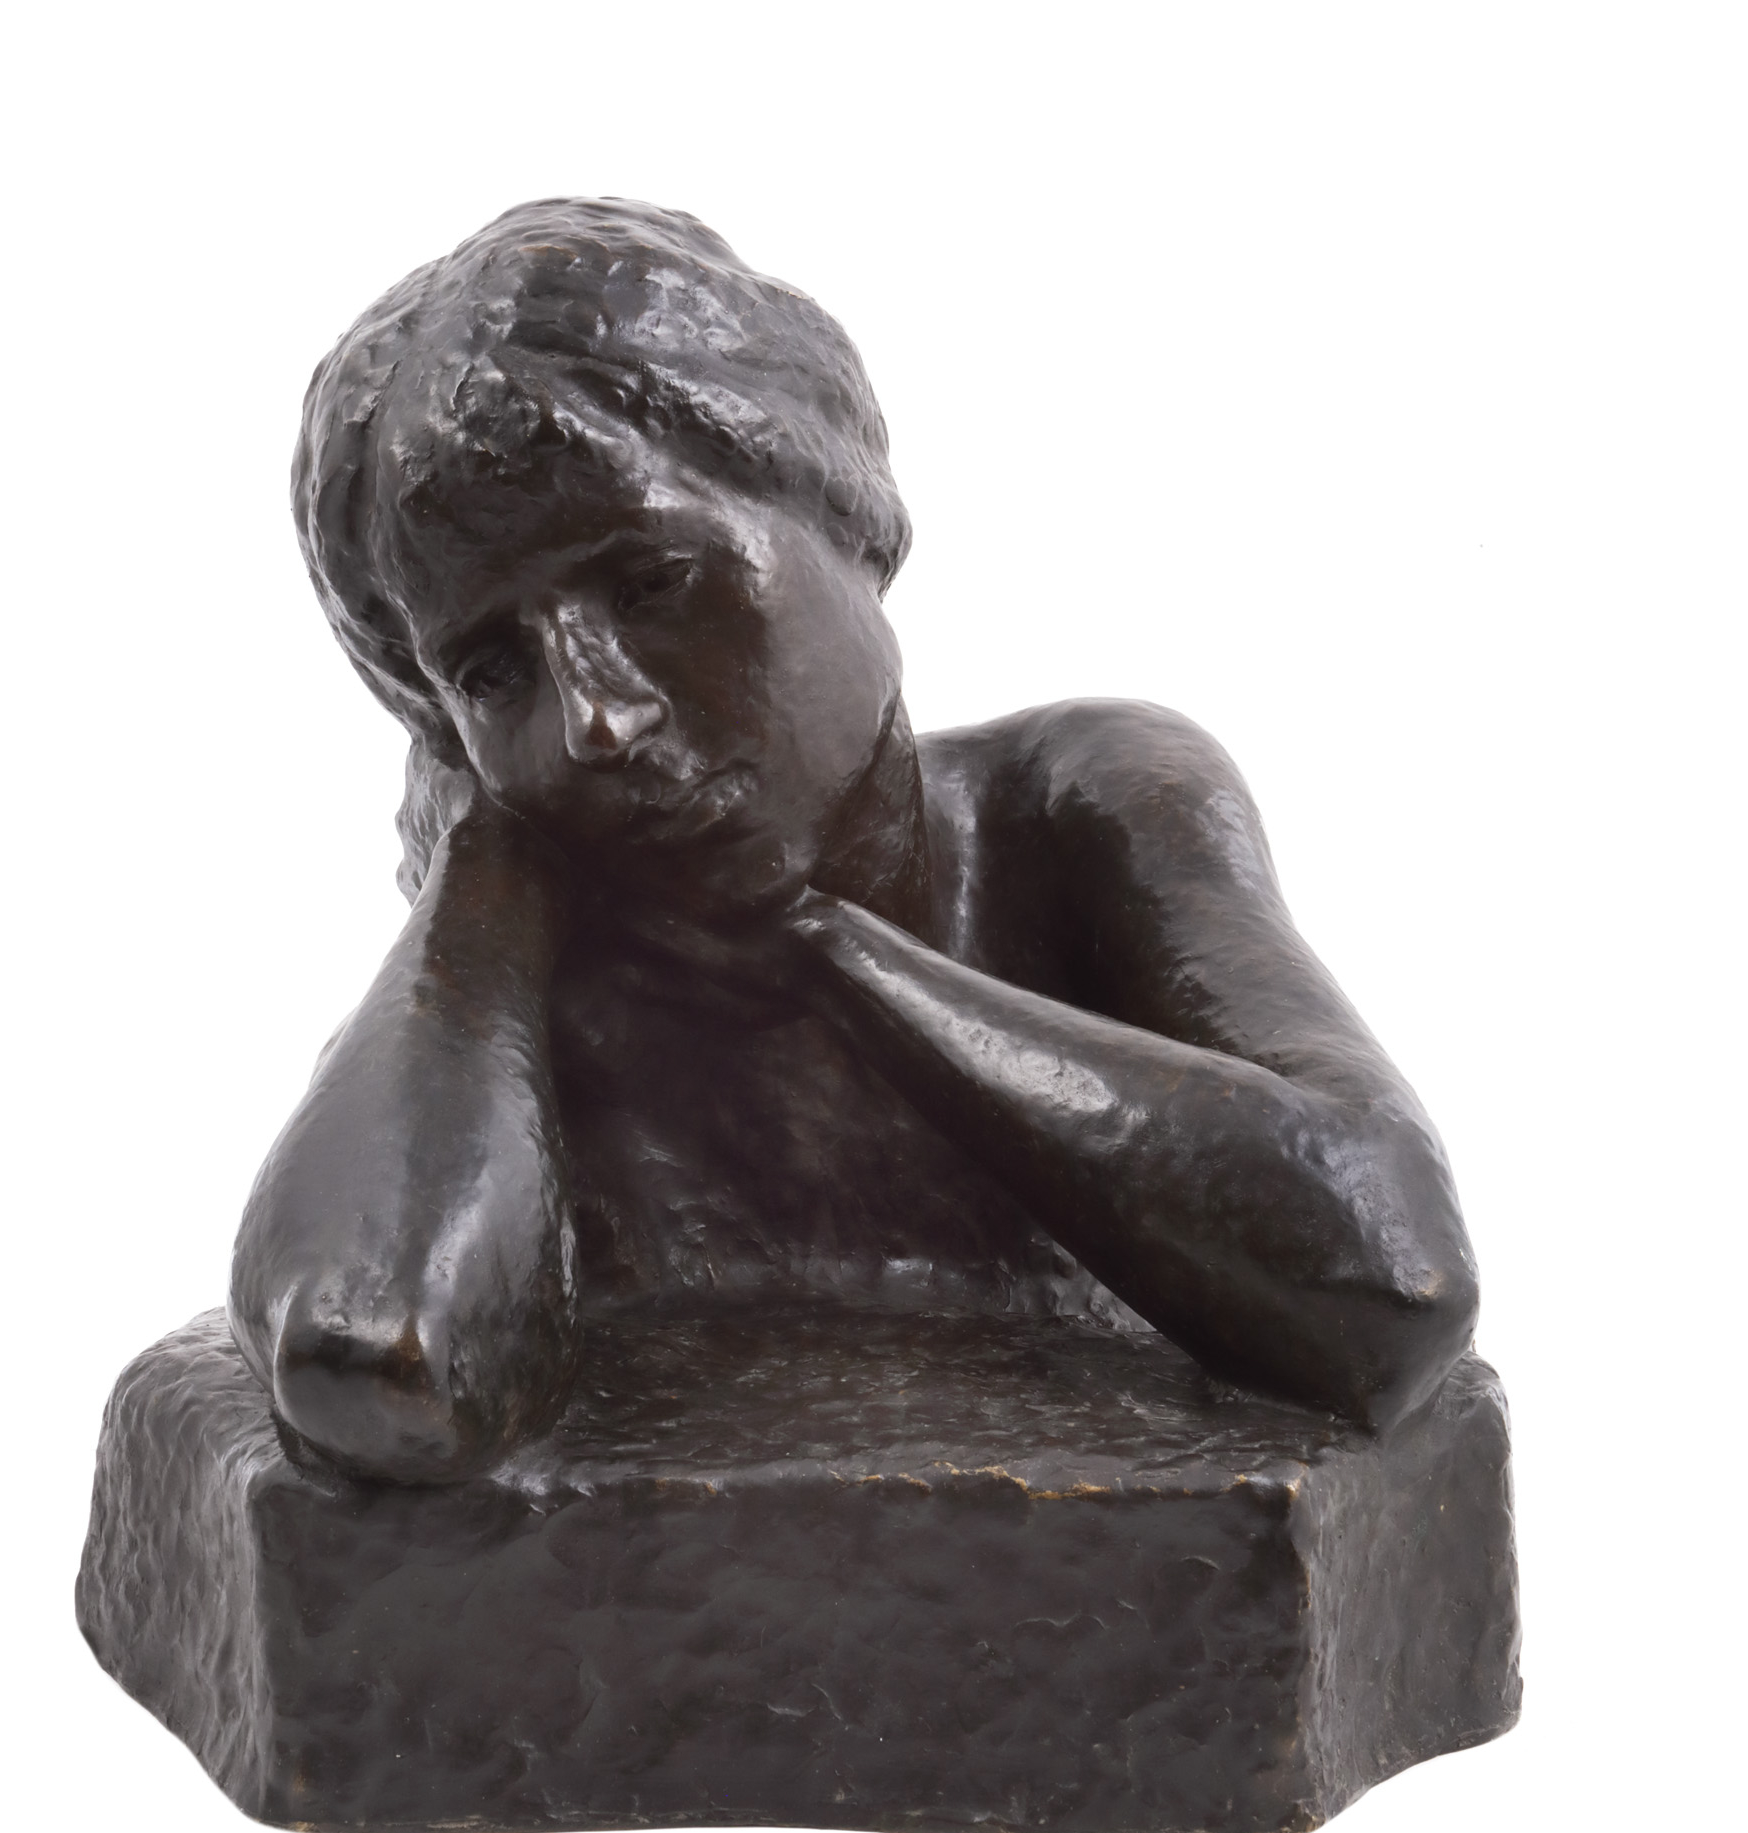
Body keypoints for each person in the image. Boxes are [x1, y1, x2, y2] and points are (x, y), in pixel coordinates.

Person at [228, 197, 1479, 1482]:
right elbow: (380, 1359)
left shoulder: (1086, 801)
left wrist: (831, 950)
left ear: (845, 510)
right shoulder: (520, 960)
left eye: (653, 583)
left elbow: (1387, 1275)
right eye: (493, 674)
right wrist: (476, 885)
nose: (593, 720)